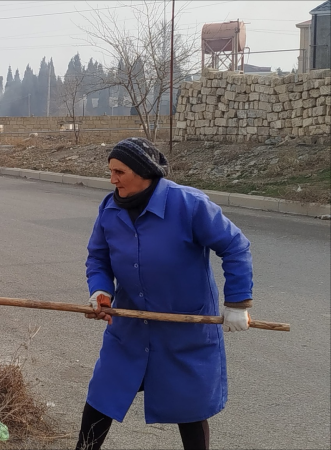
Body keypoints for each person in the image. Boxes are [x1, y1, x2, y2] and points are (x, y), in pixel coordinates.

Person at [77, 137, 254, 450]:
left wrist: (237, 302)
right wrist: (101, 291)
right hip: (130, 328)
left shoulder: (188, 204)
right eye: (111, 171)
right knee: (103, 397)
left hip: (183, 330)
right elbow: (98, 258)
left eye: (119, 171)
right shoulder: (109, 209)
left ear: (143, 172)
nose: (112, 179)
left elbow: (235, 246)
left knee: (190, 410)